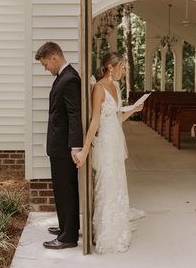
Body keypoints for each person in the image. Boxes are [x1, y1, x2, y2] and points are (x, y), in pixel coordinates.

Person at [73, 52, 145, 253]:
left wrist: (133, 110)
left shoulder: (117, 87)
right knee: (105, 184)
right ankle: (105, 232)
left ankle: (118, 229)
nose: (124, 70)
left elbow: (116, 119)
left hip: (116, 143)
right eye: (122, 66)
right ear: (110, 67)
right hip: (104, 144)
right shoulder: (99, 88)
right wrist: (85, 150)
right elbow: (95, 121)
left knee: (118, 184)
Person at [35, 42, 83, 249]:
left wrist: (75, 146)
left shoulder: (70, 78)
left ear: (54, 57)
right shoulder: (63, 77)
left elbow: (74, 114)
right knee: (63, 189)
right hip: (59, 145)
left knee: (66, 189)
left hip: (64, 147)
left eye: (46, 64)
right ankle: (67, 226)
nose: (46, 68)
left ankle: (68, 237)